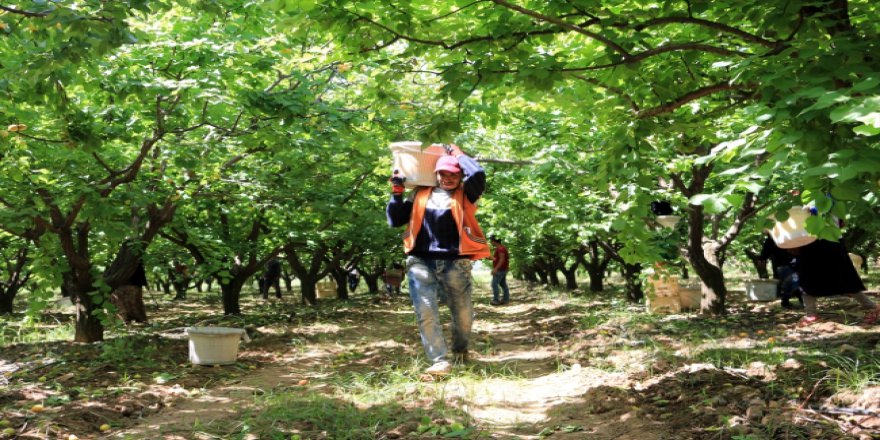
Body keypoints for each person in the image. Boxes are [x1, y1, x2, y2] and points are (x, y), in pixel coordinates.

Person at [386, 143, 490, 376]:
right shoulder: (420, 194)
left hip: (455, 261)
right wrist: (397, 193)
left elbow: (478, 173)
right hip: (420, 261)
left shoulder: (467, 195)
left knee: (463, 314)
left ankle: (460, 350)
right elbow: (394, 220)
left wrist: (456, 153)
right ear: (436, 175)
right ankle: (439, 360)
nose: (448, 178)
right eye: (443, 173)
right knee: (426, 311)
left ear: (460, 176)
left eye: (454, 174)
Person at [791, 238, 879, 326]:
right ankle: (811, 313)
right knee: (808, 280)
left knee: (843, 278)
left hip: (824, 245)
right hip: (818, 246)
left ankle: (811, 314)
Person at [758, 231, 803, 309]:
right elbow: (766, 251)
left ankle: (787, 302)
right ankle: (789, 302)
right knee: (792, 283)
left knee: (790, 283)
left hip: (786, 263)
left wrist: (762, 258)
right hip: (783, 264)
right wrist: (762, 258)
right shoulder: (775, 238)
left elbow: (765, 251)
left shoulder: (783, 236)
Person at [489, 236, 510, 306]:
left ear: (494, 241)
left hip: (500, 270)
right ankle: (505, 299)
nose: (491, 242)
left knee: (494, 284)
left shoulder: (501, 249)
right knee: (503, 284)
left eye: (491, 241)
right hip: (503, 269)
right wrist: (491, 258)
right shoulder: (500, 248)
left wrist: (495, 269)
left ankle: (496, 300)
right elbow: (497, 259)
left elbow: (502, 259)